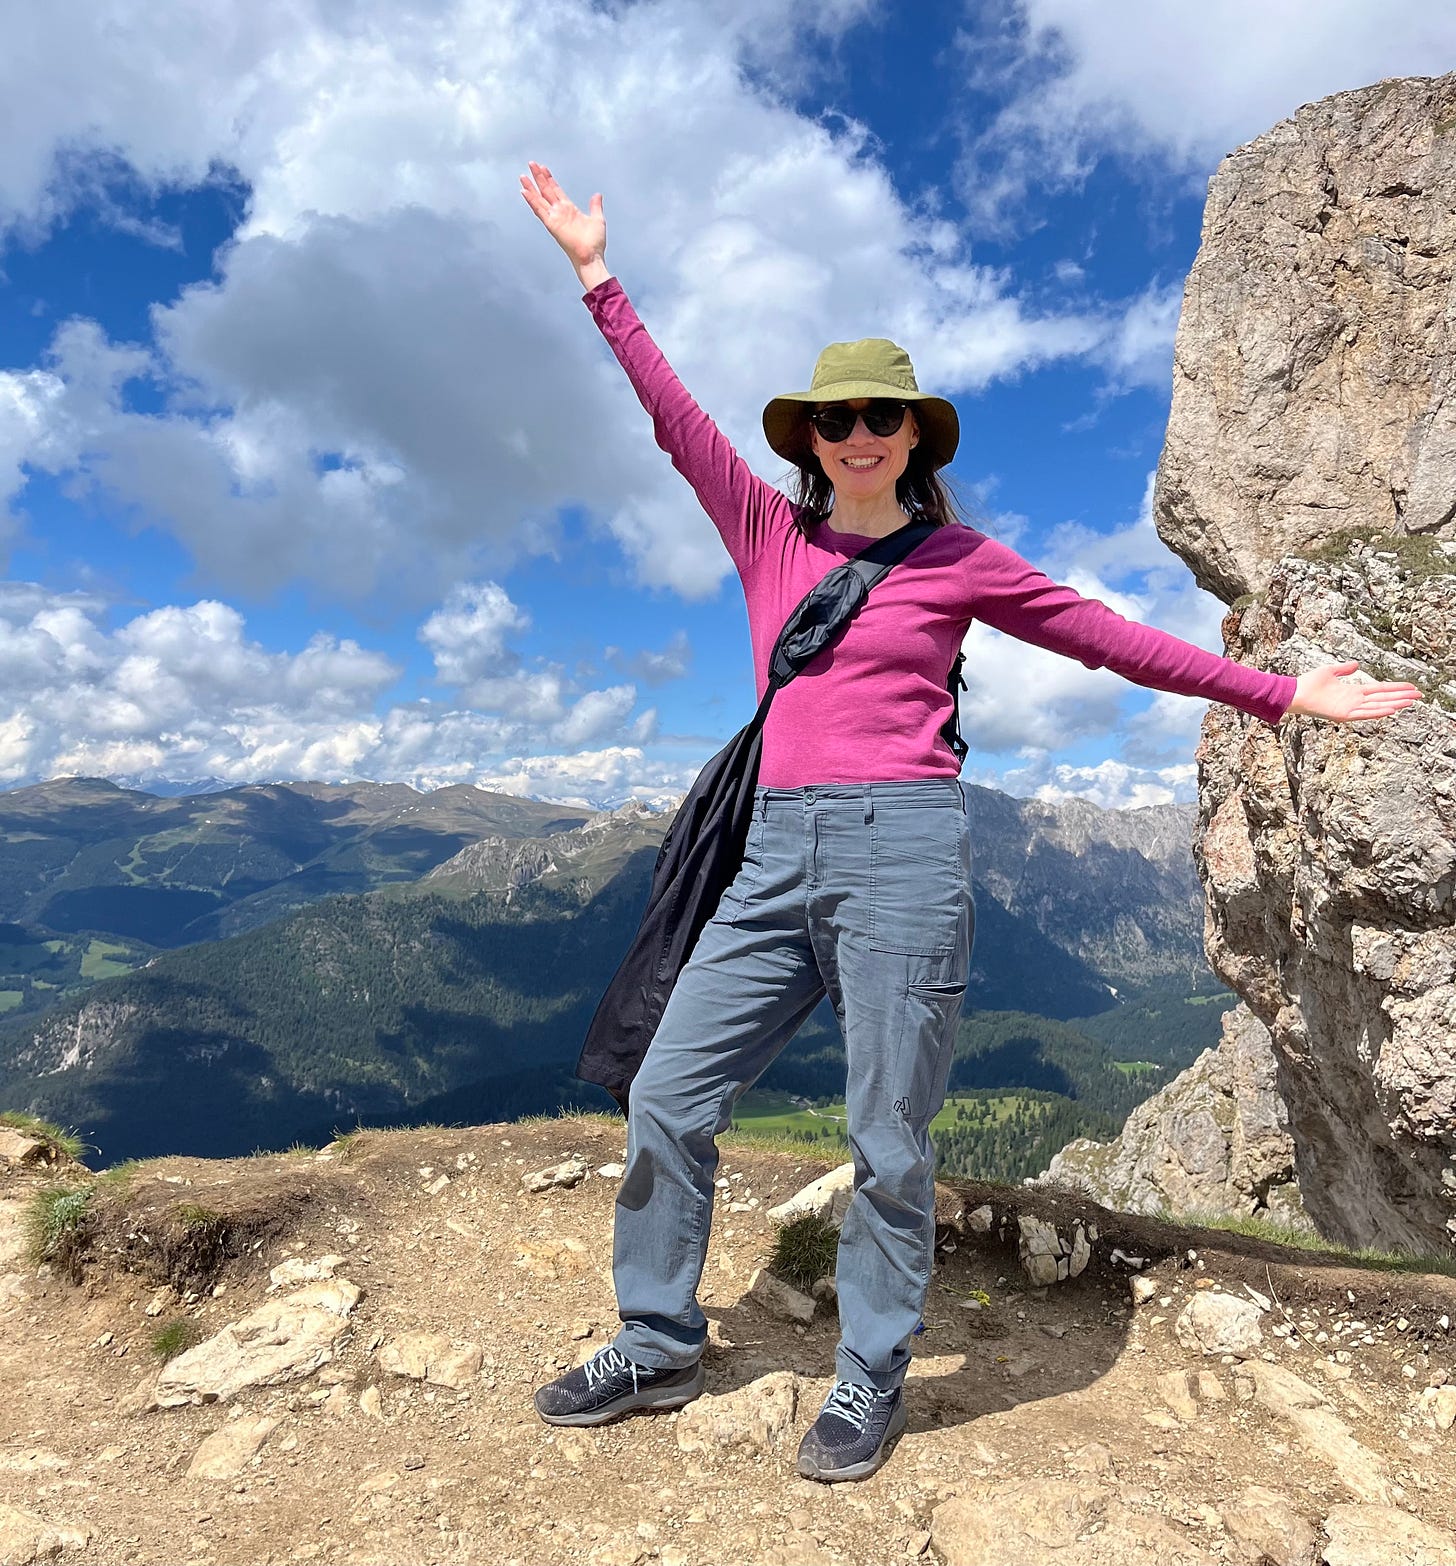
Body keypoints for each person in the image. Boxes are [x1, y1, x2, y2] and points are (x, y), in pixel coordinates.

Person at [518, 162, 1424, 1483]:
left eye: (882, 414)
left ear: (915, 433)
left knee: (887, 1136)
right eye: (837, 417)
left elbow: (1112, 642)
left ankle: (868, 1374)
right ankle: (656, 1338)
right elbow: (673, 417)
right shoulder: (772, 536)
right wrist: (598, 276)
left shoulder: (960, 563)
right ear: (812, 436)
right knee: (666, 1087)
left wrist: (1285, 690)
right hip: (774, 850)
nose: (859, 434)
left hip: (903, 852)